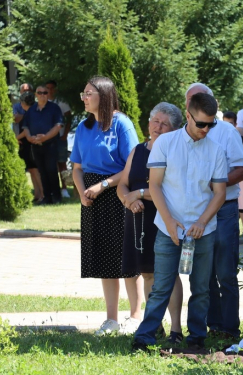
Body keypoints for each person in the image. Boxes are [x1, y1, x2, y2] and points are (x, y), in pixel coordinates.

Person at [132, 92, 227, 351]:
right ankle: (145, 336)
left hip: (204, 230)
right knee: (161, 285)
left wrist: (202, 222)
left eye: (211, 124)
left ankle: (196, 337)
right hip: (167, 227)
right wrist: (170, 221)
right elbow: (155, 185)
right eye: (201, 124)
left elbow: (219, 194)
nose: (206, 130)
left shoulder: (217, 150)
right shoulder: (165, 144)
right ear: (188, 116)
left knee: (201, 288)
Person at [70, 76, 141, 336]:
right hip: (90, 196)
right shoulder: (82, 127)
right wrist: (82, 192)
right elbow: (77, 168)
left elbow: (131, 166)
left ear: (104, 95)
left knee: (126, 258)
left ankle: (135, 315)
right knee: (103, 258)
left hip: (117, 193)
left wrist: (102, 186)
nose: (84, 98)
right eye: (83, 93)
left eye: (89, 93)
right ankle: (111, 319)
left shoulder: (122, 124)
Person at [185, 83, 243, 340]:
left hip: (223, 210)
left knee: (225, 273)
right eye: (192, 101)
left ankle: (230, 328)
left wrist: (216, 184)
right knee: (202, 273)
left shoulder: (226, 132)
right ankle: (209, 326)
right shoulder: (183, 134)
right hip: (195, 212)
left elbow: (242, 170)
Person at [117, 102, 184, 339]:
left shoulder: (175, 152)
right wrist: (128, 199)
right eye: (155, 120)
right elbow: (123, 182)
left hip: (163, 218)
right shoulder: (138, 150)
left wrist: (141, 194)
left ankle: (176, 329)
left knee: (168, 273)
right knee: (147, 273)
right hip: (136, 220)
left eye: (165, 123)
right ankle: (154, 326)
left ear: (174, 129)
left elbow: (172, 188)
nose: (158, 126)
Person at [22, 85, 64, 205]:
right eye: (39, 93)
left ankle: (56, 197)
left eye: (45, 93)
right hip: (35, 146)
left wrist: (45, 137)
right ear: (36, 94)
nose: (42, 95)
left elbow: (58, 126)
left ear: (48, 94)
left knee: (51, 170)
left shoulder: (54, 108)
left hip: (50, 145)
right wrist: (29, 137)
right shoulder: (31, 110)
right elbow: (25, 127)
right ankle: (47, 197)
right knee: (42, 172)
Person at [13, 87, 43, 203]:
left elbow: (27, 131)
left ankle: (42, 195)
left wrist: (15, 138)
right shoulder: (31, 112)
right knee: (32, 170)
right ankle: (37, 194)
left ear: (24, 103)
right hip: (27, 143)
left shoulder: (31, 113)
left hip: (32, 143)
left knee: (36, 170)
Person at [46, 80, 72, 199]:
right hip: (47, 138)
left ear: (55, 89)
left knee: (62, 163)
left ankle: (64, 188)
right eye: (47, 88)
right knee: (50, 164)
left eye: (52, 88)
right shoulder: (43, 102)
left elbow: (69, 118)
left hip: (60, 137)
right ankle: (51, 188)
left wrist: (65, 134)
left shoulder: (62, 102)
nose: (50, 90)